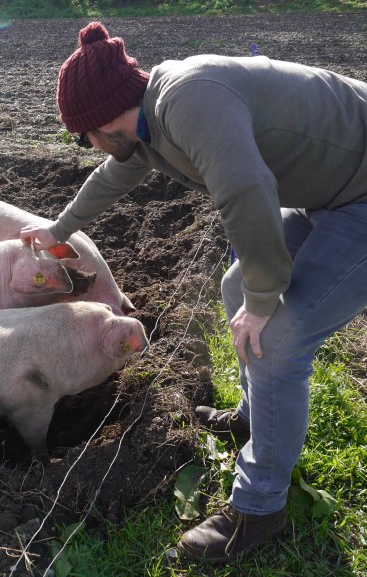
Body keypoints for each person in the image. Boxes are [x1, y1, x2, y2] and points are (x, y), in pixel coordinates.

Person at [20, 20, 367, 563]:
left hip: (362, 192)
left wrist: (265, 300)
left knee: (279, 336)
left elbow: (248, 193)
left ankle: (260, 507)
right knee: (237, 287)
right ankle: (259, 420)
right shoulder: (147, 124)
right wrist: (57, 231)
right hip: (333, 188)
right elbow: (113, 176)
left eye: (81, 134)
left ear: (102, 120)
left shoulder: (189, 102)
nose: (86, 146)